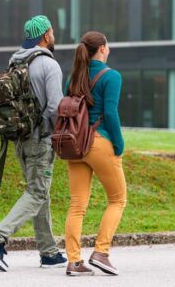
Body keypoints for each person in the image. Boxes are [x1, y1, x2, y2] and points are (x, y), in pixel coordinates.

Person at [0, 15, 67, 271]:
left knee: (39, 191)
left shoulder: (15, 61)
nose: (53, 35)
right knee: (37, 191)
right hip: (40, 139)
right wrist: (55, 137)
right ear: (45, 35)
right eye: (52, 32)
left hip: (19, 138)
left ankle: (49, 252)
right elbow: (55, 107)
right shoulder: (50, 66)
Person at [63, 31, 127, 276]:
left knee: (77, 204)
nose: (109, 48)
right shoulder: (112, 76)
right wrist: (119, 144)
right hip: (100, 142)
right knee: (117, 199)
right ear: (101, 48)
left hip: (76, 144)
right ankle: (101, 252)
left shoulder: (74, 77)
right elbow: (110, 113)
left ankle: (74, 261)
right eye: (107, 45)